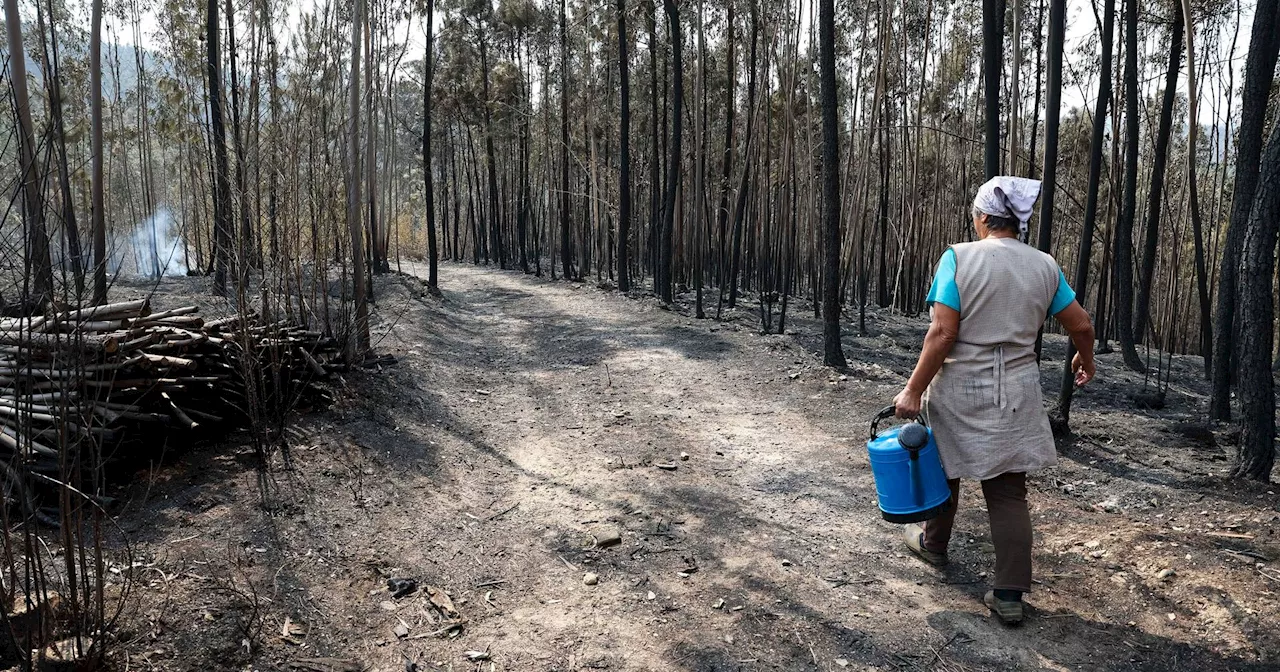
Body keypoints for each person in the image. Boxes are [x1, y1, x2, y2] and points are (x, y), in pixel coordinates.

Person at [891, 176, 1096, 625]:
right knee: (1007, 494)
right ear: (1016, 222)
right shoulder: (1045, 265)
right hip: (1018, 390)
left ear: (983, 217)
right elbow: (1080, 323)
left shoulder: (958, 258)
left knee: (945, 473)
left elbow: (944, 332)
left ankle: (933, 546)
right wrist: (1086, 359)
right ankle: (1008, 594)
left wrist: (913, 389)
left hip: (961, 386)